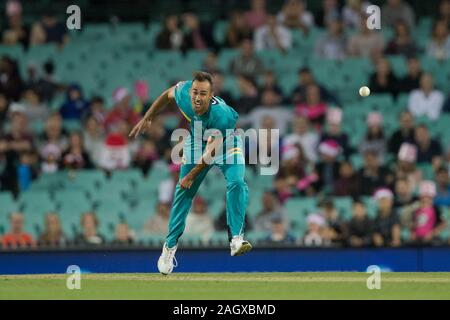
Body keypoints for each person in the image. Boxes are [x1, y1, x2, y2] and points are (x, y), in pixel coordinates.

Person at [129, 71, 253, 275]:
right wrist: (148, 116)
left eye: (203, 94)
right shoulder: (184, 93)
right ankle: (169, 248)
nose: (197, 97)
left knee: (237, 182)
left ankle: (236, 239)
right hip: (197, 141)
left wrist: (190, 175)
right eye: (195, 91)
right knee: (183, 192)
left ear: (211, 94)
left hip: (226, 142)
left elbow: (211, 153)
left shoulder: (221, 115)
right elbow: (168, 94)